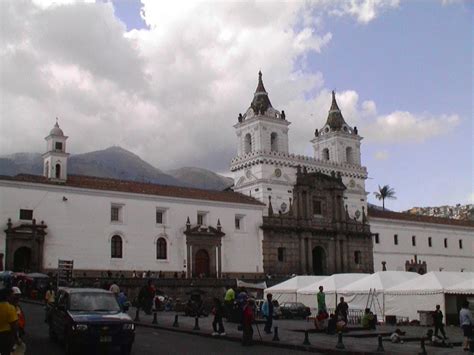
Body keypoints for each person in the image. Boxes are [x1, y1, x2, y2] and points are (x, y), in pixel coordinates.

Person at [0, 288, 21, 355]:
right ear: (7, 296)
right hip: (5, 336)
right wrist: (17, 339)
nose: (13, 297)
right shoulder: (10, 308)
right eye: (12, 295)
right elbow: (14, 326)